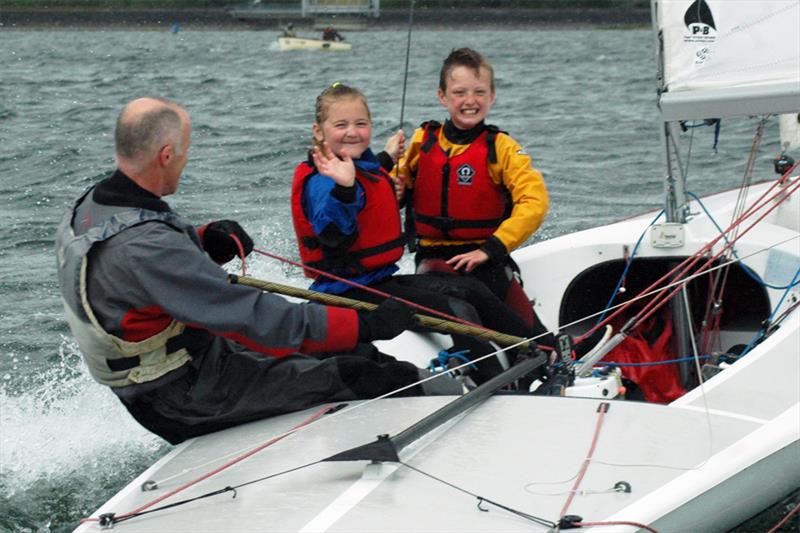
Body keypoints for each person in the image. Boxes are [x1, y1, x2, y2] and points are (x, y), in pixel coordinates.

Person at [55, 96, 461, 445]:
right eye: (184, 150)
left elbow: (137, 278)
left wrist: (203, 240)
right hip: (181, 397)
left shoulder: (93, 206)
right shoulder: (146, 246)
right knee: (362, 372)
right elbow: (256, 316)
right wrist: (367, 324)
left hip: (188, 363)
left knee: (349, 350)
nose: (185, 159)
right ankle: (463, 417)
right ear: (165, 155)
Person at [291, 83, 544, 385]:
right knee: (458, 309)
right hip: (347, 294)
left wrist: (385, 158)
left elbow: (366, 180)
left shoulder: (351, 165)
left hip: (376, 282)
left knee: (470, 289)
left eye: (361, 124)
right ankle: (493, 384)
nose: (352, 132)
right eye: (341, 125)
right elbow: (333, 235)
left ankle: (537, 353)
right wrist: (344, 190)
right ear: (319, 131)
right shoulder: (326, 180)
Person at [396, 48, 554, 349]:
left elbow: (535, 203)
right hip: (433, 261)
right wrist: (397, 191)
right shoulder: (422, 141)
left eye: (479, 92)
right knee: (470, 308)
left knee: (537, 337)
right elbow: (391, 185)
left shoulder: (503, 148)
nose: (470, 101)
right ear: (443, 96)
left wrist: (490, 249)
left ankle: (543, 358)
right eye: (460, 92)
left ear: (492, 96)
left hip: (487, 260)